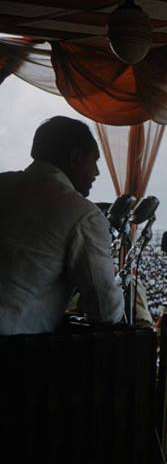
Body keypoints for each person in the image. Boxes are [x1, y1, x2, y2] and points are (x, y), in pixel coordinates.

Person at [0, 116, 123, 335]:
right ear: (75, 158)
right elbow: (106, 311)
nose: (97, 172)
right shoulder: (83, 214)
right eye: (94, 161)